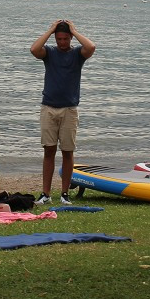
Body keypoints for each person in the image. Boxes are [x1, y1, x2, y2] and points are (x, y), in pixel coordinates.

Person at [30, 19, 96, 205]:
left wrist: (75, 31)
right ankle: (46, 193)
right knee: (48, 151)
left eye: (65, 39)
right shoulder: (49, 52)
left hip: (69, 109)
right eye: (59, 39)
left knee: (67, 151)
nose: (62, 42)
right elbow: (34, 49)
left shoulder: (77, 54)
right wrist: (50, 30)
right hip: (49, 107)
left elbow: (91, 47)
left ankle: (65, 194)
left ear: (70, 38)